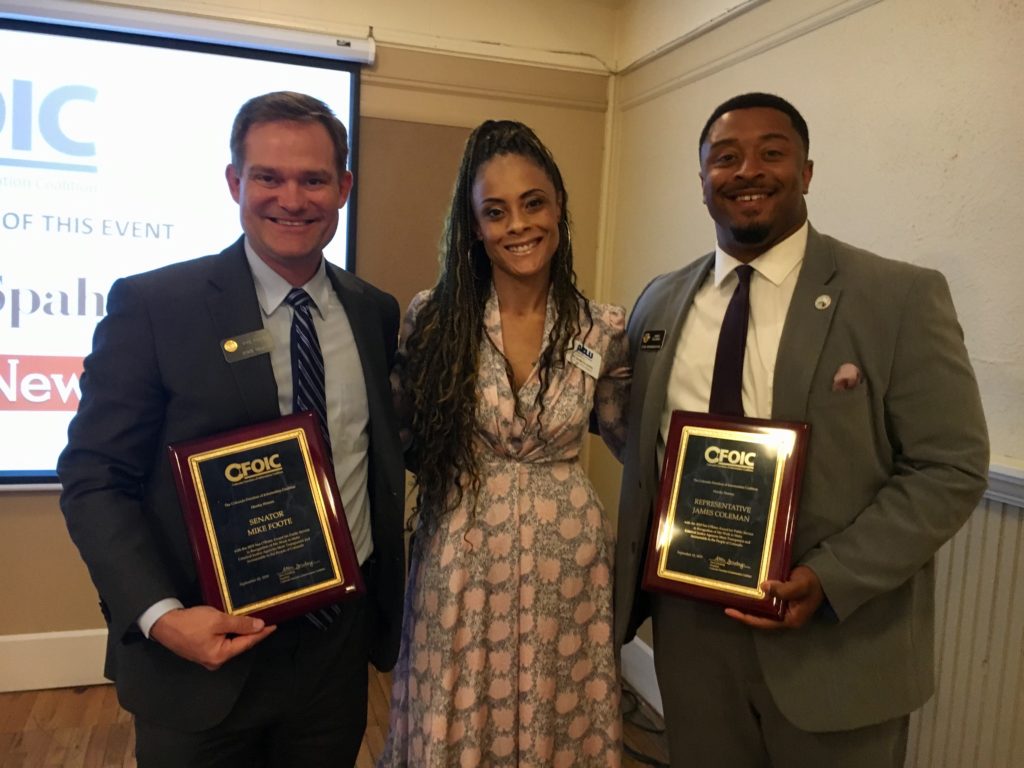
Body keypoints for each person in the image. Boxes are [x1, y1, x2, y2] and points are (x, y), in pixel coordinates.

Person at [613, 92, 989, 767]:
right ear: (702, 181)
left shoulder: (896, 297)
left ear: (807, 172)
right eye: (725, 158)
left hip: (836, 645)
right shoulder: (659, 302)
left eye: (772, 153)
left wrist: (830, 576)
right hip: (693, 643)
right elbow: (643, 447)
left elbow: (951, 466)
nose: (747, 170)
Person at [57, 91, 405, 767]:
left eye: (313, 179)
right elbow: (95, 479)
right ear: (233, 183)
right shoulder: (155, 306)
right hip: (204, 653)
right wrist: (160, 615)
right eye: (268, 177)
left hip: (334, 649)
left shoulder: (373, 312)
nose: (291, 199)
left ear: (344, 187)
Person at [378, 120, 630, 767]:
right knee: (454, 711)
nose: (517, 225)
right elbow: (401, 440)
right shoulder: (432, 317)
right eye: (495, 211)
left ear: (558, 207)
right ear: (474, 226)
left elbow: (629, 436)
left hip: (566, 570)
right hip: (459, 564)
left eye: (532, 203)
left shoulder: (602, 327)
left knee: (560, 716)